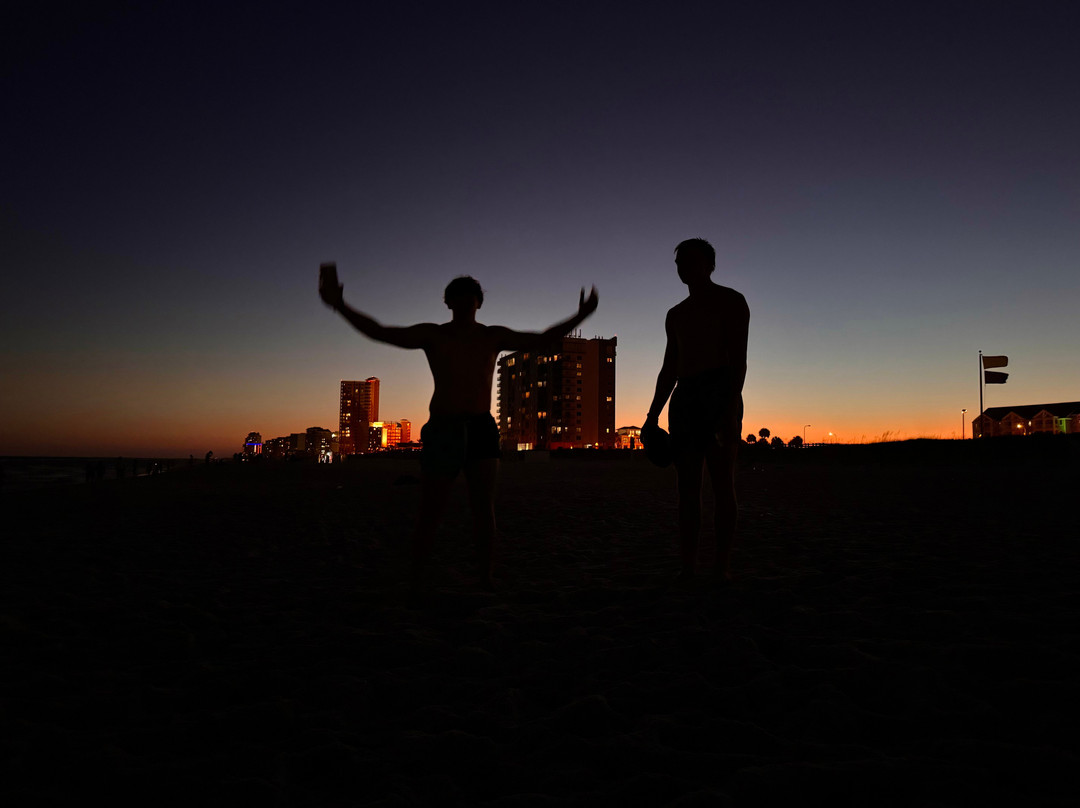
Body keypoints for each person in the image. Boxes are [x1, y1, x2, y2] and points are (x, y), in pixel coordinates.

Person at [320, 268, 598, 590]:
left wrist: (580, 314)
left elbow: (540, 339)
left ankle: (484, 578)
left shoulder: (491, 335)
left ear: (478, 303)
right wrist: (341, 306)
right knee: (431, 510)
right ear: (448, 302)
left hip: (480, 427)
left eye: (471, 296)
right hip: (444, 428)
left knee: (483, 508)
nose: (466, 302)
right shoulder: (434, 335)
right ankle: (419, 577)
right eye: (459, 296)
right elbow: (381, 332)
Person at [645, 238, 749, 583]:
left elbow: (738, 361)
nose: (683, 268)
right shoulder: (675, 315)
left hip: (719, 392)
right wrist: (651, 415)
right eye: (679, 263)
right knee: (686, 490)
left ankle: (721, 567)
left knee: (722, 485)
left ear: (709, 264)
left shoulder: (731, 302)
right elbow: (669, 368)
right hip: (685, 398)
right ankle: (688, 566)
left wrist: (730, 408)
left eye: (690, 261)